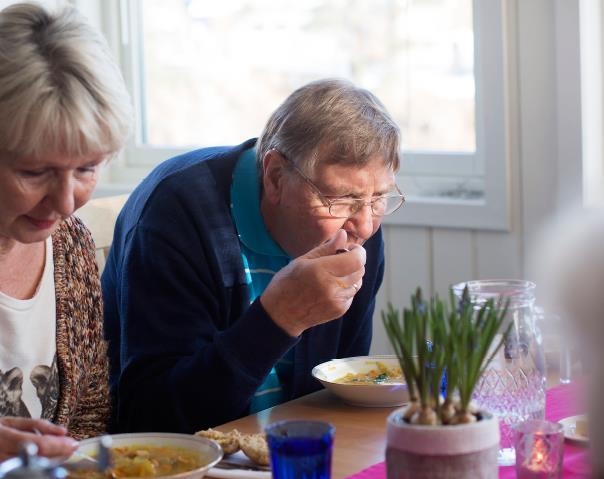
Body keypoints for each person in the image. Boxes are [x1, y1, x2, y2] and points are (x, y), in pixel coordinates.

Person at [102, 78, 403, 433]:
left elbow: (337, 391)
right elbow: (154, 417)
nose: (366, 225)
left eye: (379, 198)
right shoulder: (176, 216)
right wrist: (279, 318)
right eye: (341, 199)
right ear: (275, 177)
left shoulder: (356, 228)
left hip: (291, 452)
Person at [0, 2, 132, 460]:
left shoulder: (69, 243)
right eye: (35, 172)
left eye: (87, 168)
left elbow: (90, 415)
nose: (64, 202)